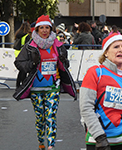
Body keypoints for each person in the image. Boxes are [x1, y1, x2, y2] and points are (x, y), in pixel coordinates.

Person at [13, 15, 77, 150]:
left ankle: (51, 146)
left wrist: (63, 62)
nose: (44, 30)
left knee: (50, 117)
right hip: (36, 88)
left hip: (53, 87)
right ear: (36, 30)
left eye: (47, 27)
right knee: (40, 119)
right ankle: (41, 143)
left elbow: (65, 64)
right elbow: (19, 62)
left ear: (51, 29)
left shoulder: (58, 45)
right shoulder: (30, 46)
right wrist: (32, 64)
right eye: (41, 28)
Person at [13, 21, 32, 88]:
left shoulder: (18, 34)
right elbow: (28, 46)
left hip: (17, 53)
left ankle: (18, 85)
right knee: (24, 70)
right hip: (24, 54)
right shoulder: (27, 36)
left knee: (21, 70)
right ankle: (23, 85)